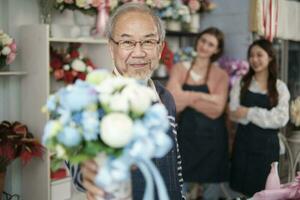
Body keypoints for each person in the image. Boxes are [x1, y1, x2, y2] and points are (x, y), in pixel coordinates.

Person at [65, 3, 184, 200]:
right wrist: (88, 171)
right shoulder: (89, 100)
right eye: (127, 43)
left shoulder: (165, 97)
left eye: (148, 42)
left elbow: (175, 166)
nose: (139, 53)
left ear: (160, 48)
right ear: (111, 48)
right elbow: (79, 169)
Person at [166, 27, 229, 200]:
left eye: (211, 44)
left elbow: (217, 110)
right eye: (203, 40)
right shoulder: (179, 68)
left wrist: (187, 98)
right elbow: (174, 103)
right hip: (186, 138)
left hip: (213, 140)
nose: (204, 46)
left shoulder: (220, 75)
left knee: (211, 189)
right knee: (181, 187)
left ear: (216, 50)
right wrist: (203, 96)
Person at [229, 39, 290, 197]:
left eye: (259, 55)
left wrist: (249, 113)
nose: (254, 59)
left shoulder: (279, 87)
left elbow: (281, 118)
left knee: (266, 191)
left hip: (267, 148)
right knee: (243, 190)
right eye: (251, 55)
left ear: (270, 57)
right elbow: (233, 113)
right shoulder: (242, 83)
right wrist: (265, 117)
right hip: (243, 144)